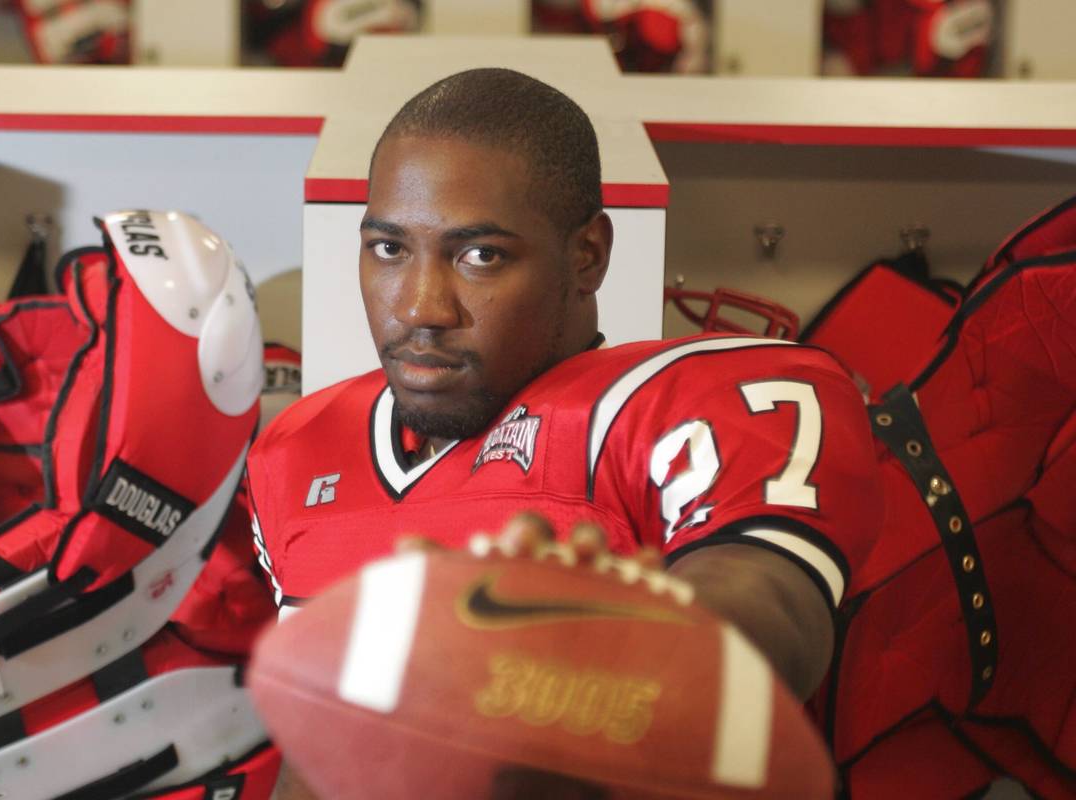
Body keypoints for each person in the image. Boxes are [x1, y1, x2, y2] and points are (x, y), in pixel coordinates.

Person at [246, 67, 882, 798]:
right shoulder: (298, 449)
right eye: (389, 249)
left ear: (587, 256)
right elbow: (321, 748)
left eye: (479, 256)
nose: (422, 307)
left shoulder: (683, 403)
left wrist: (610, 658)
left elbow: (768, 605)